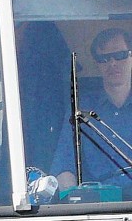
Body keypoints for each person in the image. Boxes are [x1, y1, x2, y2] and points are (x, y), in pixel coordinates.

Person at [53, 27, 132, 194]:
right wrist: (74, 199)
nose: (112, 63)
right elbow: (64, 165)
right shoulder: (80, 108)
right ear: (96, 64)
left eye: (120, 56)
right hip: (98, 206)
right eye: (103, 59)